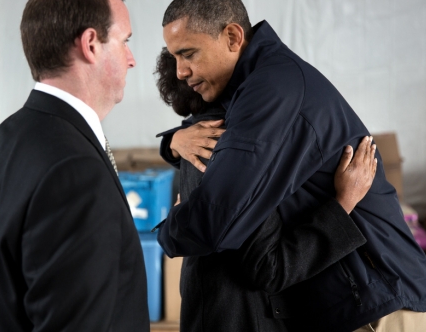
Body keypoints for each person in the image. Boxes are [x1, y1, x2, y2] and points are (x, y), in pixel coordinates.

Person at [156, 0, 426, 332]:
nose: (180, 70)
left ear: (232, 36)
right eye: (176, 57)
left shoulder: (270, 90)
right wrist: (173, 142)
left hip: (375, 292)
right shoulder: (253, 88)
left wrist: (169, 229)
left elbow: (217, 215)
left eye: (189, 53)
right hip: (352, 291)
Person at [0, 0, 149, 331]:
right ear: (91, 44)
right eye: (125, 41)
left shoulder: (0, 143)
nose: (132, 59)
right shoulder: (75, 170)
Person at [155, 48, 376, 332]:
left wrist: (172, 141)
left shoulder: (193, 138)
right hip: (243, 319)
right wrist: (343, 204)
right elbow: (269, 267)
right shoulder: (227, 148)